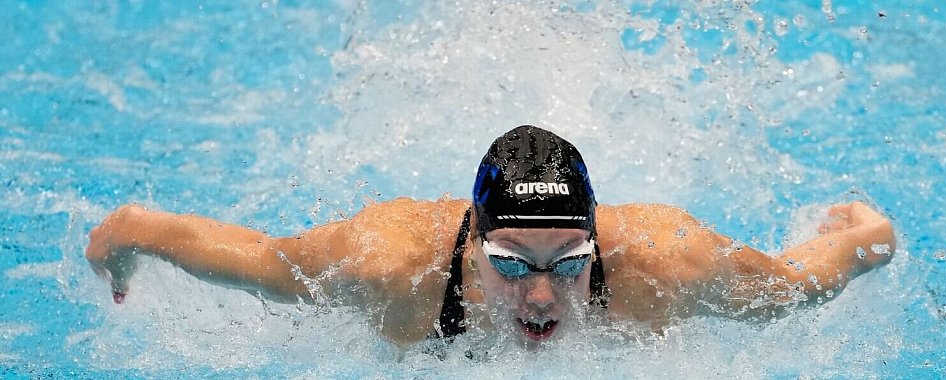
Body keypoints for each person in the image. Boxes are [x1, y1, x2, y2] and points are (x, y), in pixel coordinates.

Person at [86, 125, 896, 349]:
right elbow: (261, 257)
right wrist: (126, 239)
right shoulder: (390, 266)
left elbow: (799, 283)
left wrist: (872, 233)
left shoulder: (666, 263)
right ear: (472, 244)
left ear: (596, 245)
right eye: (511, 263)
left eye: (568, 265)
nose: (541, 296)